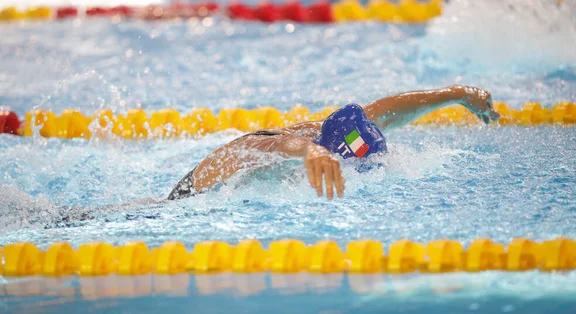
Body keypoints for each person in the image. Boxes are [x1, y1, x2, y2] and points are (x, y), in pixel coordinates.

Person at [167, 85, 500, 201]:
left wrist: (455, 95)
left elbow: (388, 114)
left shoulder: (338, 131)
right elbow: (276, 145)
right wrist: (309, 151)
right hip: (183, 203)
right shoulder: (272, 145)